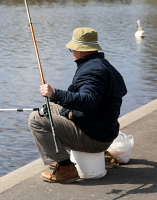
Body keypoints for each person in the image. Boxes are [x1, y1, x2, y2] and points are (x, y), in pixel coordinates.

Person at [28, 27, 127, 183]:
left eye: (72, 49)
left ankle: (66, 168)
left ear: (80, 50)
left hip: (94, 138)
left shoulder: (92, 70)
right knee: (48, 109)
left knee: (36, 119)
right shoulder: (101, 64)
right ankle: (60, 155)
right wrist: (57, 102)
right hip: (101, 129)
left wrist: (55, 94)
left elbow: (89, 101)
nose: (72, 53)